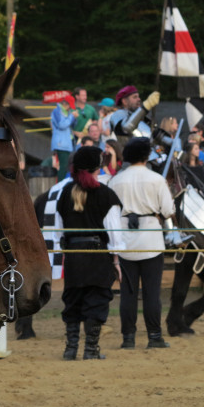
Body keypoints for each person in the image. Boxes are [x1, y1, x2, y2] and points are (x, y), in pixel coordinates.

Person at [56, 146, 125, 360]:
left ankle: (70, 350)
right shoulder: (106, 195)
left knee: (73, 300)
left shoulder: (65, 192)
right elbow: (114, 235)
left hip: (74, 256)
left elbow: (59, 229)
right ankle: (90, 349)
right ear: (99, 166)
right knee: (96, 300)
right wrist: (116, 262)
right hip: (97, 256)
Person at [108, 137, 174, 349]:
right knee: (151, 293)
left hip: (125, 239)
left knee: (128, 294)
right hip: (151, 240)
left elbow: (110, 213)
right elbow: (168, 210)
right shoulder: (156, 179)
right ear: (146, 156)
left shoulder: (115, 181)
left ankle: (128, 337)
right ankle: (154, 336)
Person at [51, 95, 77, 181]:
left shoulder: (67, 112)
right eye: (70, 106)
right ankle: (60, 184)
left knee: (66, 165)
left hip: (67, 143)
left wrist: (74, 118)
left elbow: (72, 125)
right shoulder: (57, 111)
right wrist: (72, 117)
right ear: (66, 104)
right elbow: (62, 125)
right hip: (61, 144)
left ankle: (64, 183)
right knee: (63, 165)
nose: (70, 108)